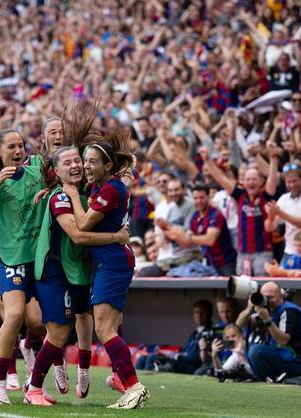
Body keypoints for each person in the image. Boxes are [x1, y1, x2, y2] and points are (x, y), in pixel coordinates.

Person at [26, 146, 129, 406]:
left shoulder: (87, 191)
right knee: (59, 333)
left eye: (78, 161)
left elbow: (110, 183)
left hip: (78, 270)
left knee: (105, 318)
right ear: (55, 171)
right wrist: (116, 237)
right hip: (54, 272)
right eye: (68, 162)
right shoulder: (60, 197)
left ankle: (102, 374)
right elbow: (79, 235)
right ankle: (34, 388)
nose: (75, 166)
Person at [62, 112, 149, 408]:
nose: (86, 167)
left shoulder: (110, 189)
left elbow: (84, 224)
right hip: (115, 260)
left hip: (113, 262)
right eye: (84, 161)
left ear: (107, 166)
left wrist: (72, 194)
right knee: (112, 324)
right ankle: (120, 377)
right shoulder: (106, 185)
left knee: (103, 328)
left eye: (92, 162)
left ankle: (133, 385)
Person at [0, 129, 46, 405]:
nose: (17, 151)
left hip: (38, 259)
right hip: (10, 259)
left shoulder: (35, 173)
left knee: (38, 323)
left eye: (20, 146)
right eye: (11, 146)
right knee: (15, 315)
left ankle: (29, 350)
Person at [199, 146, 279, 276]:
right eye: (247, 179)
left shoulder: (266, 195)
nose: (250, 182)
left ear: (261, 182)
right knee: (242, 289)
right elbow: (221, 179)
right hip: (243, 253)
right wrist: (207, 160)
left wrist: (274, 159)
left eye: (254, 179)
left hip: (263, 252)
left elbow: (272, 179)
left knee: (262, 287)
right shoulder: (240, 195)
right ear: (243, 182)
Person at [235, 282, 301, 381]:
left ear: (281, 297)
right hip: (286, 358)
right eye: (264, 297)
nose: (267, 301)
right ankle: (264, 378)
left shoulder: (289, 311)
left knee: (257, 350)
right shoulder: (265, 310)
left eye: (271, 297)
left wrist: (267, 320)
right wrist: (249, 308)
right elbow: (239, 323)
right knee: (248, 347)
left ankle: (271, 379)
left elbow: (283, 341)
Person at [165, 184, 237, 276]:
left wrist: (188, 237)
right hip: (210, 263)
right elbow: (188, 243)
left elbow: (209, 240)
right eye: (195, 198)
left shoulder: (215, 214)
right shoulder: (195, 217)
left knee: (230, 288)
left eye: (202, 197)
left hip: (226, 262)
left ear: (208, 197)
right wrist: (176, 236)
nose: (198, 201)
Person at [265, 163, 301, 261]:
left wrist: (279, 212)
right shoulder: (283, 199)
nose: (292, 185)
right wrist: (271, 214)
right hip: (289, 252)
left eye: (295, 181)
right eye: (288, 182)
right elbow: (270, 228)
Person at [154, 178, 201, 274]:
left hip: (191, 254)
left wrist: (167, 227)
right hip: (175, 256)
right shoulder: (171, 209)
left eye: (176, 190)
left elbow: (187, 234)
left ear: (183, 190)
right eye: (171, 190)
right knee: (145, 272)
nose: (173, 193)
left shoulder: (191, 205)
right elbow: (166, 239)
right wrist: (163, 228)